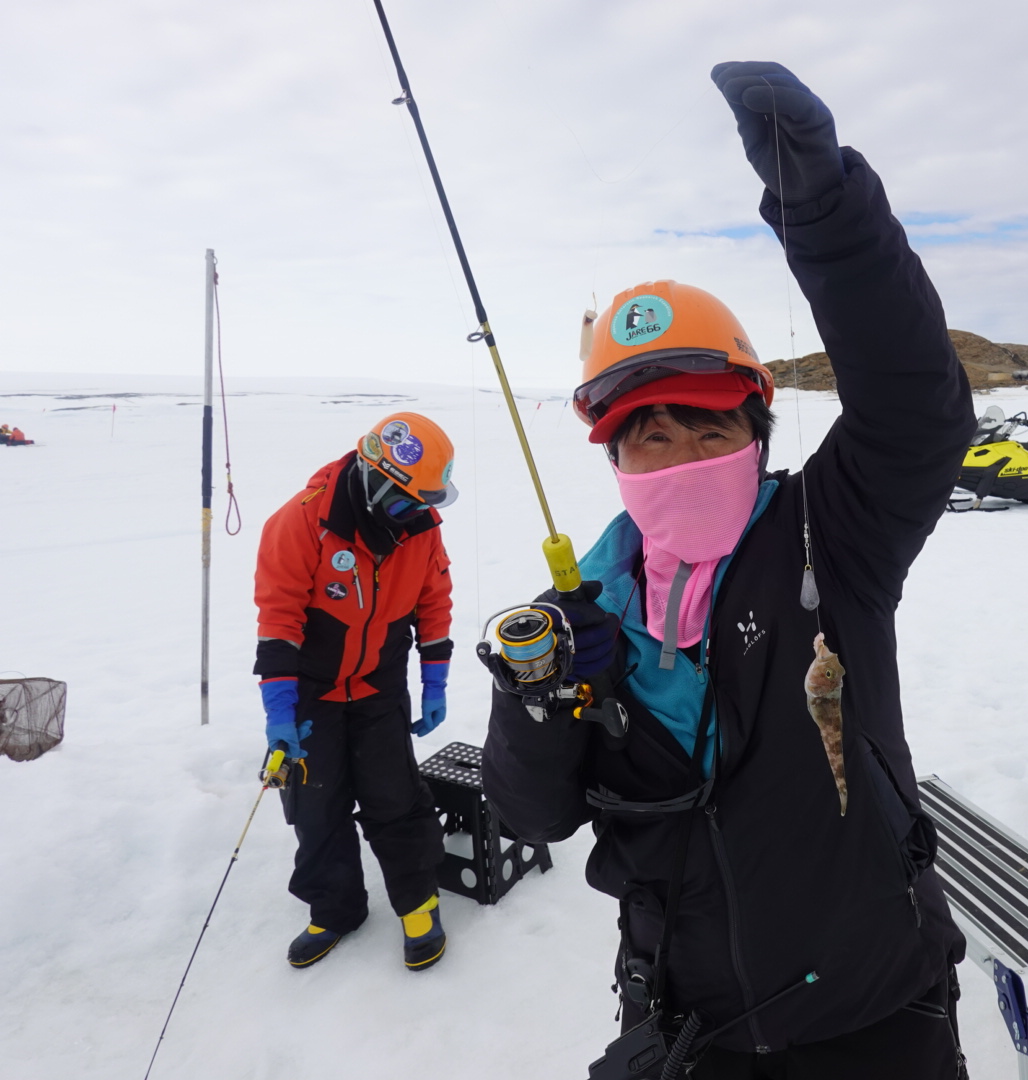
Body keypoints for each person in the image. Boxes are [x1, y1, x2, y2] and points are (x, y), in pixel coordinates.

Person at [482, 62, 973, 1079]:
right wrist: (538, 702)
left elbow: (914, 399)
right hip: (686, 1017)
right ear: (612, 460)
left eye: (706, 429)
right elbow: (534, 817)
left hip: (872, 1008)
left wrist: (826, 208)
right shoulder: (575, 616)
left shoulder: (832, 534)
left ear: (756, 428)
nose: (677, 459)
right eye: (646, 439)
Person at [253, 412, 457, 968]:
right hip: (313, 693)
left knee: (396, 797)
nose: (414, 514)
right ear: (372, 476)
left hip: (378, 685)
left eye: (422, 503)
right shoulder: (299, 522)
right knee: (317, 807)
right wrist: (279, 712)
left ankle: (418, 903)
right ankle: (335, 908)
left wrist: (433, 677)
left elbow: (434, 600)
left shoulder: (420, 526)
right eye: (403, 503)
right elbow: (278, 622)